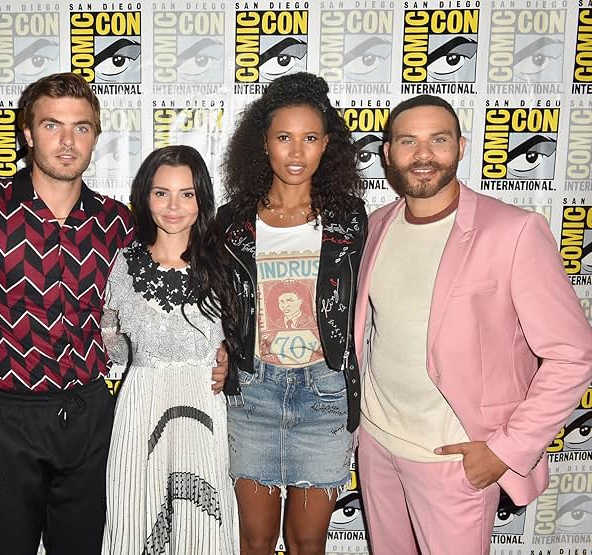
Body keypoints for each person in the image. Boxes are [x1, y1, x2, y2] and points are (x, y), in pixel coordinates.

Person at [0, 73, 227, 554]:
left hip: (92, 416)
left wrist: (223, 346)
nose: (67, 141)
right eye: (52, 126)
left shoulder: (119, 222)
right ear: (27, 133)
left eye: (81, 128)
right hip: (5, 418)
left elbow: (172, 292)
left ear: (95, 136)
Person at [354, 94, 592, 554]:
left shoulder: (514, 231)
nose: (423, 155)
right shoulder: (377, 224)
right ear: (388, 154)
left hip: (452, 461)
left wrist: (504, 451)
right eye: (408, 141)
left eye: (437, 140)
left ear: (461, 147)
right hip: (376, 446)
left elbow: (573, 354)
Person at [217, 72, 367, 554]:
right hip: (254, 392)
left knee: (307, 541)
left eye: (309, 139)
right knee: (255, 541)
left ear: (327, 145)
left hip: (324, 393)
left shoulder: (350, 218)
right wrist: (221, 348)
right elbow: (212, 301)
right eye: (284, 138)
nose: (296, 152)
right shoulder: (232, 221)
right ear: (263, 144)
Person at [101, 145, 239, 554]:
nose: (173, 206)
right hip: (141, 402)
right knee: (135, 509)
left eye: (186, 194)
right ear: (145, 197)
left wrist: (227, 353)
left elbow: (242, 336)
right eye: (161, 193)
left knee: (201, 520)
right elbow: (112, 341)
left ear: (202, 199)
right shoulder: (124, 263)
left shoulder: (224, 262)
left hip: (203, 400)